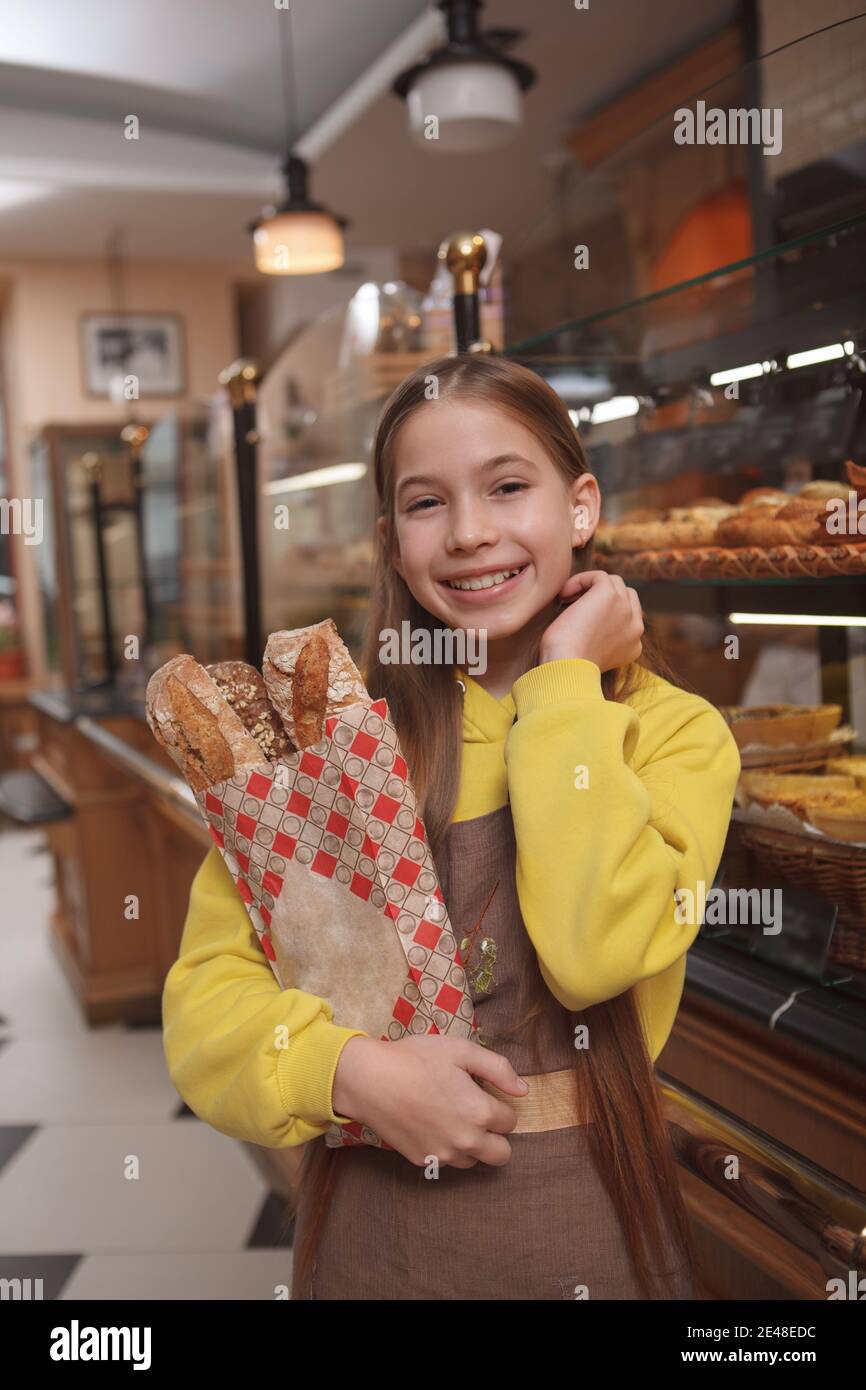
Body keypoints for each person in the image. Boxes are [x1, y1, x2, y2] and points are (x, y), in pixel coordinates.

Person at [162, 353, 741, 1300]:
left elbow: (592, 953)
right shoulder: (331, 750)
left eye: (508, 487)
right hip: (377, 1238)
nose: (471, 533)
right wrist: (348, 1073)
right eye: (428, 505)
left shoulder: (673, 736)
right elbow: (204, 1011)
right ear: (393, 544)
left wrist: (563, 682)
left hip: (591, 1221)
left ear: (581, 507)